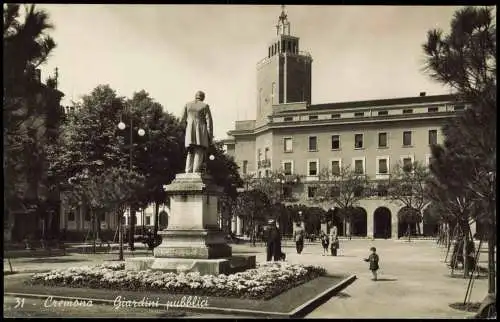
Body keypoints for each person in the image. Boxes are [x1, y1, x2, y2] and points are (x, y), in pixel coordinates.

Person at [181, 91, 213, 173]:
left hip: (189, 131)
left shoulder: (187, 105)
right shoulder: (205, 106)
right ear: (203, 97)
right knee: (199, 151)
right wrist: (210, 136)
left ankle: (187, 170)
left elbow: (182, 120)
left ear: (195, 96)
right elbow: (209, 122)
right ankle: (196, 171)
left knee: (190, 151)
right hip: (201, 132)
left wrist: (186, 131)